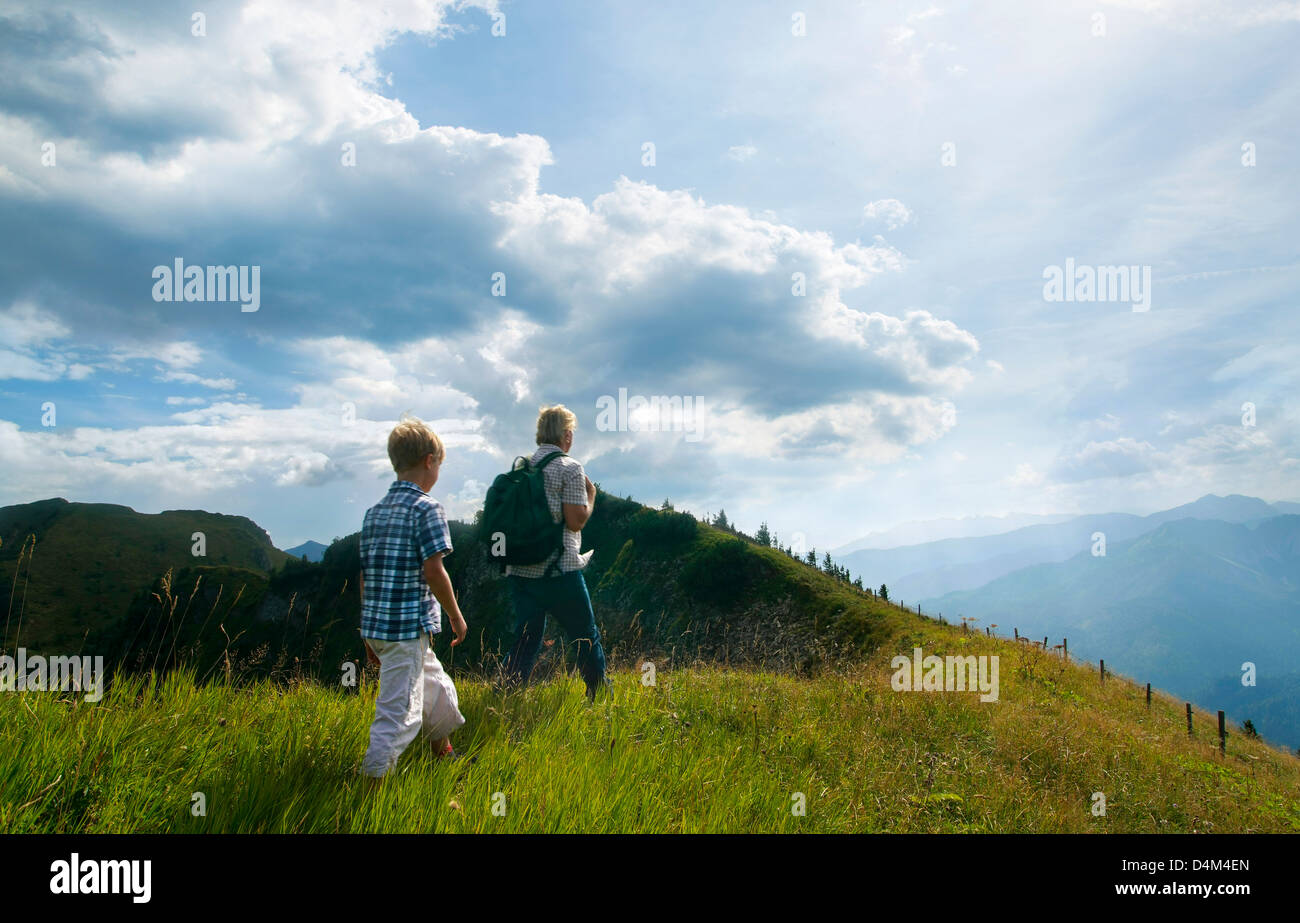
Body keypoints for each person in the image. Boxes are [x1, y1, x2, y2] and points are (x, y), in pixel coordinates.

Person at [358, 415, 468, 780]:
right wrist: (454, 615)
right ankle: (368, 789)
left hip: (381, 626)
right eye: (440, 463)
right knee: (399, 714)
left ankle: (444, 754)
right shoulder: (427, 508)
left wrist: (367, 632)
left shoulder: (373, 513)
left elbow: (365, 573)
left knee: (435, 688)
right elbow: (434, 570)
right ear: (429, 461)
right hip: (405, 630)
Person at [501, 404, 608, 699]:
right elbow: (575, 521)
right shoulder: (570, 468)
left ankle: (505, 696)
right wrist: (592, 497)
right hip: (559, 570)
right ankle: (599, 697)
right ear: (567, 436)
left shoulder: (521, 469)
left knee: (526, 639)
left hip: (521, 571)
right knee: (585, 636)